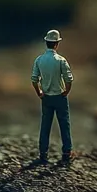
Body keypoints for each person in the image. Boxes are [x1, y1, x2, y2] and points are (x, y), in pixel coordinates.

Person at [31, 29, 74, 165]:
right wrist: (66, 91)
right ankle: (66, 153)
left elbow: (34, 79)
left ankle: (43, 153)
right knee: (64, 125)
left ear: (46, 42)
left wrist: (39, 92)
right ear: (56, 44)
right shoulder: (61, 61)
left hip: (46, 97)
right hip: (59, 97)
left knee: (45, 125)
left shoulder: (39, 60)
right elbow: (69, 79)